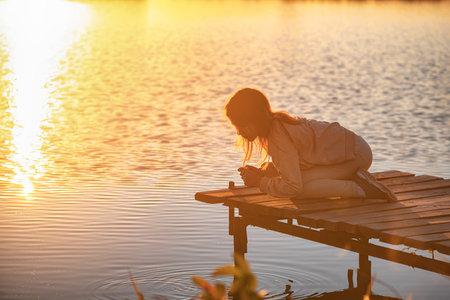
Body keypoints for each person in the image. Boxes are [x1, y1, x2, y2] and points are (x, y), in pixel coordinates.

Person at [225, 87, 397, 201]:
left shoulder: (278, 136)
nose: (238, 132)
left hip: (355, 156)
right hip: (352, 152)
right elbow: (297, 160)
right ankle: (353, 177)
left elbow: (292, 186)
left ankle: (361, 188)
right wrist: (266, 172)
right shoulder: (276, 125)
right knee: (296, 183)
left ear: (255, 119)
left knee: (299, 190)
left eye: (240, 125)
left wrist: (261, 183)